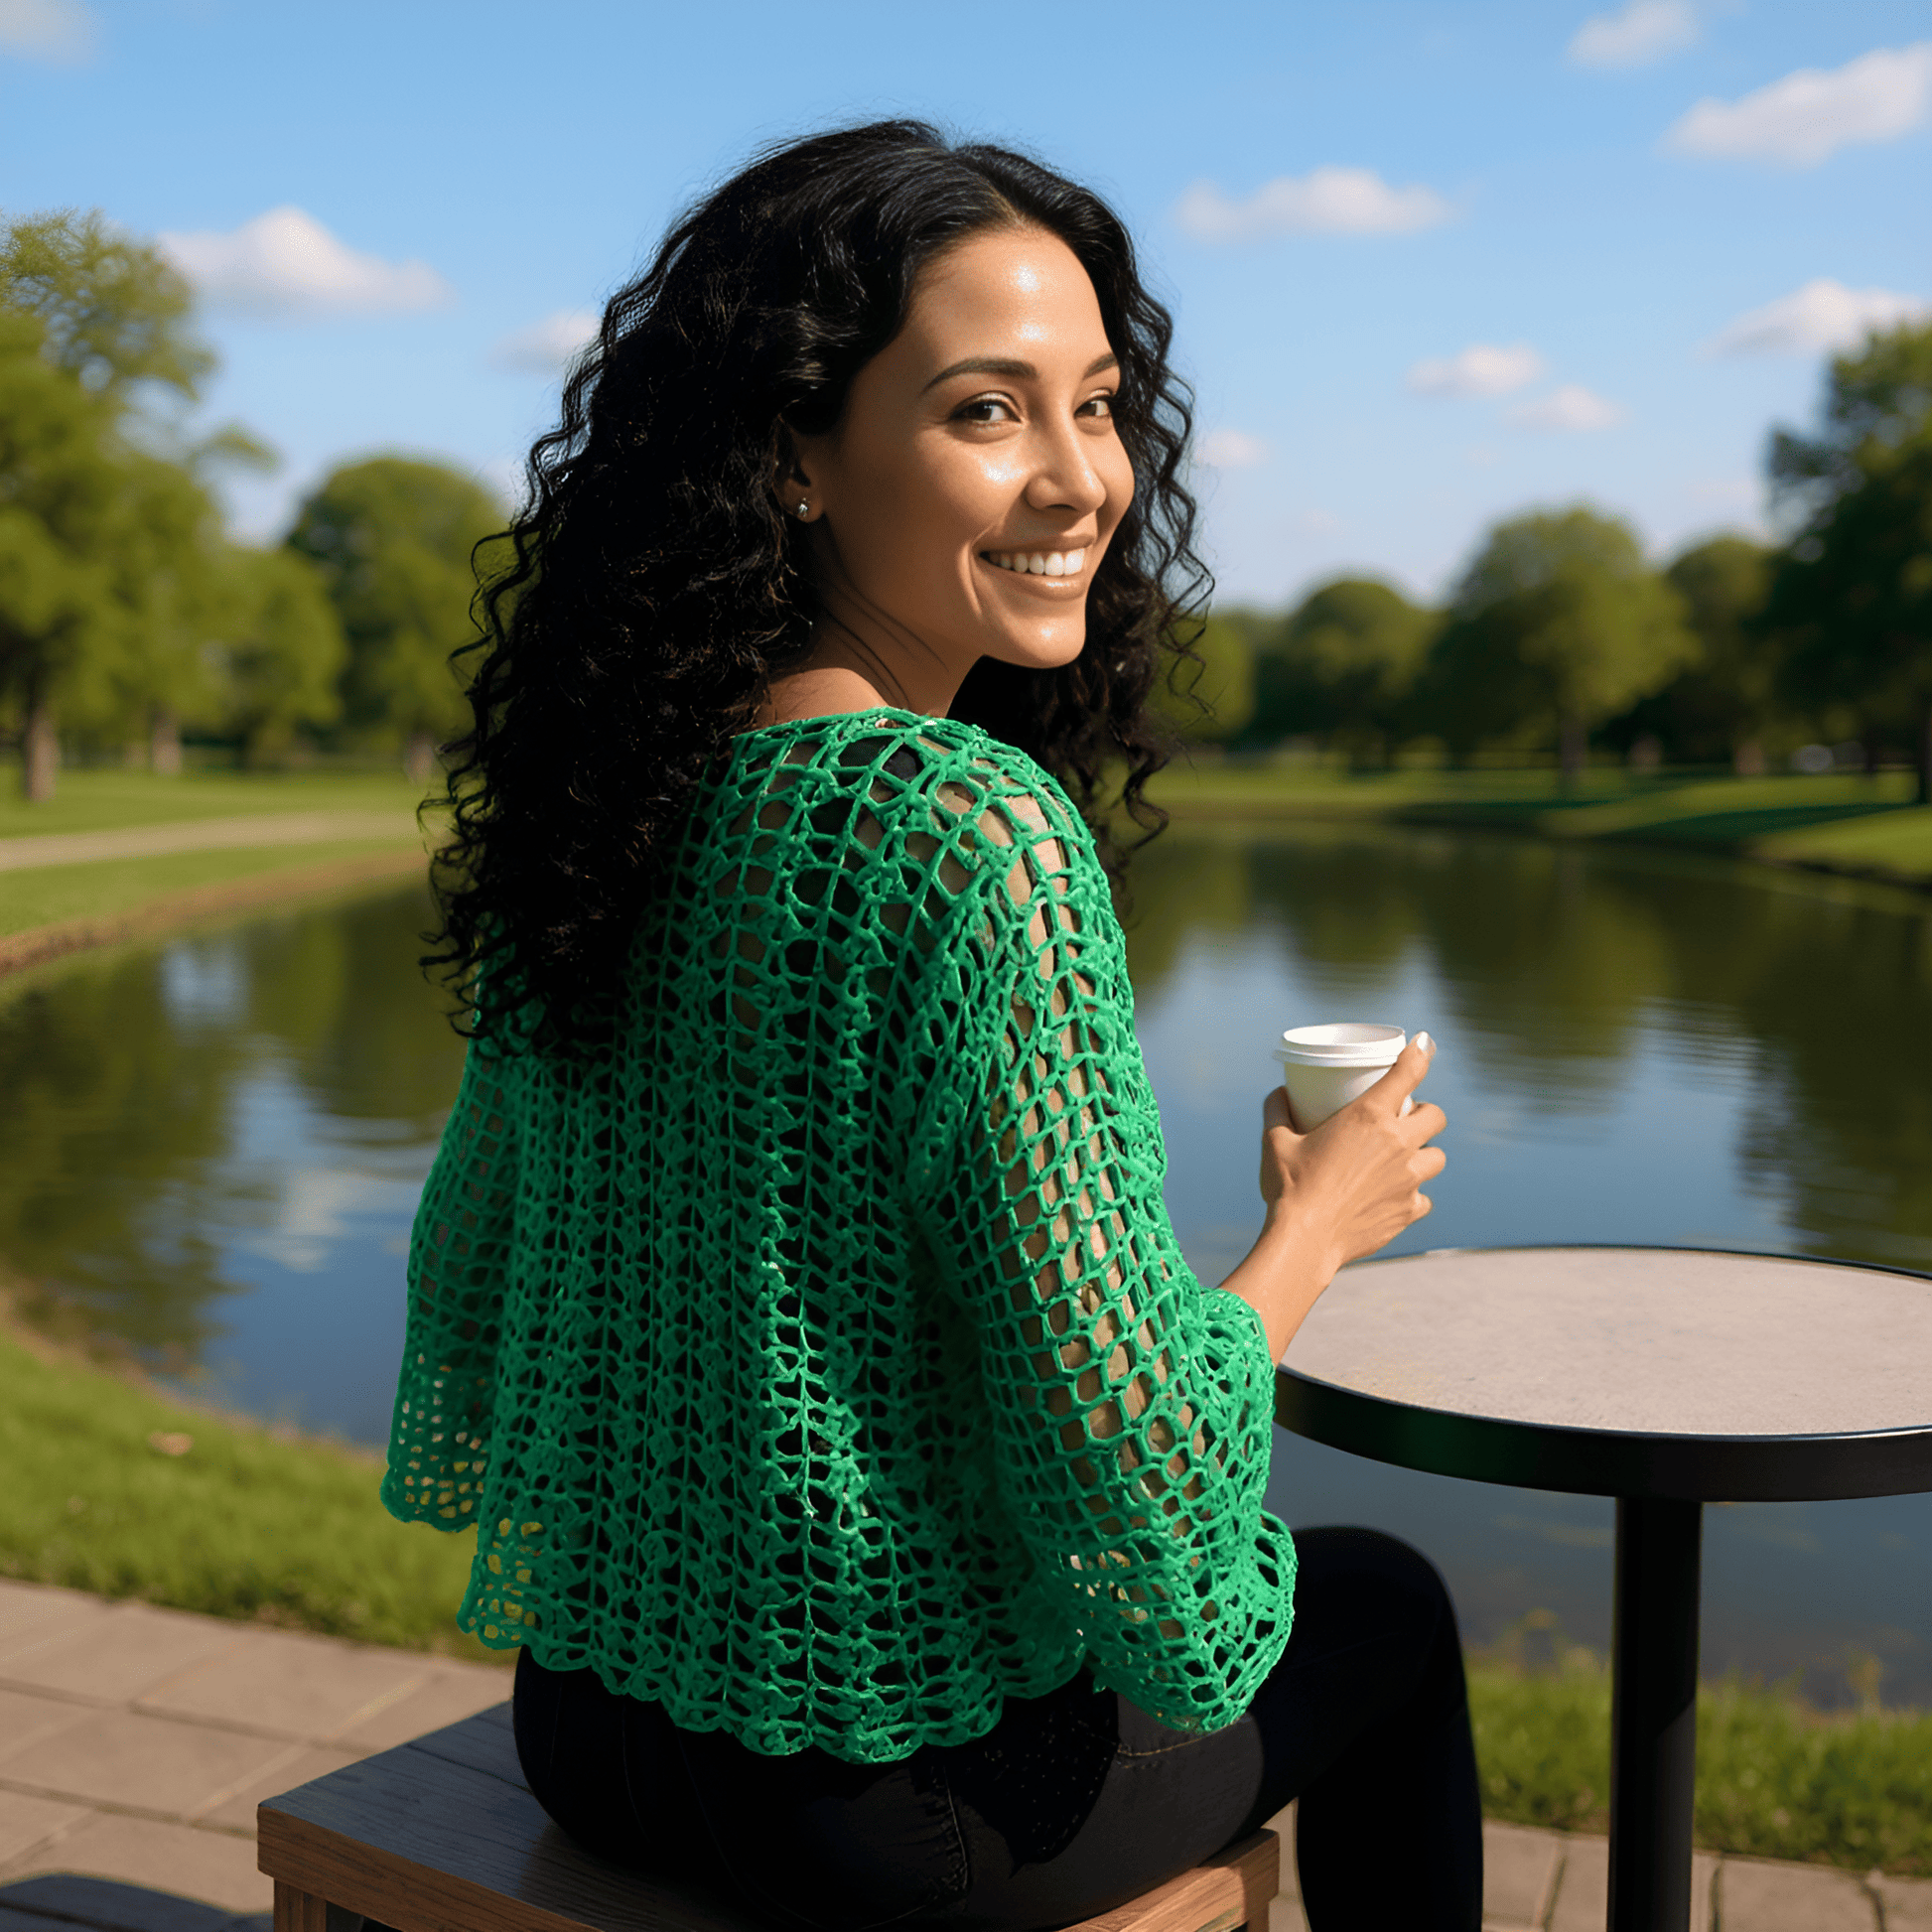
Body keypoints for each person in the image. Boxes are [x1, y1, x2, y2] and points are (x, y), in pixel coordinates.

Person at [386, 121, 1476, 1932]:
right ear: (796, 456)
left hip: (594, 1719)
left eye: (1098, 403)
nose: (1078, 480)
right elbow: (1136, 1466)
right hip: (884, 1799)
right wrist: (1313, 1228)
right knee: (1385, 1608)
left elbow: (477, 1282)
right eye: (987, 410)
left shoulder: (615, 793)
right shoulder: (962, 834)